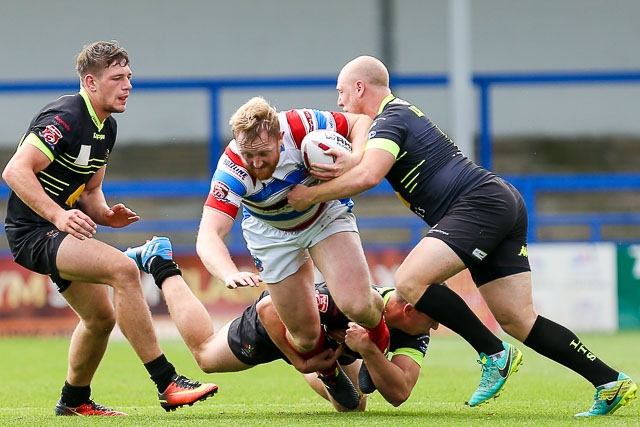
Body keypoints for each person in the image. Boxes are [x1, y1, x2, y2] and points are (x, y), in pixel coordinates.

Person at [286, 55, 638, 417]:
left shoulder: (391, 118)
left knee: (408, 280)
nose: (340, 101)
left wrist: (309, 196)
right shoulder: (396, 118)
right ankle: (609, 381)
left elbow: (369, 176)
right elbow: (366, 163)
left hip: (479, 204)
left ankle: (494, 354)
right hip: (498, 202)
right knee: (518, 319)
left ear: (360, 87)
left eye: (341, 92)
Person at [1, 41, 217, 416]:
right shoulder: (65, 116)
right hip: (33, 232)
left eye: (129, 77)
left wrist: (104, 213)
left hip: (60, 231)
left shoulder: (107, 127)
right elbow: (15, 171)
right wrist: (57, 215)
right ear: (91, 82)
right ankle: (167, 382)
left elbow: (92, 188)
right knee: (124, 269)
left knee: (101, 318)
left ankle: (74, 401)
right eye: (117, 78)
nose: (127, 85)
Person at [194, 96, 391, 404]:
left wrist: (355, 158)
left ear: (280, 137)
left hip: (325, 214)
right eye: (248, 155)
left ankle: (378, 346)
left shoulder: (302, 125)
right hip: (271, 234)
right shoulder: (232, 170)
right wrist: (228, 272)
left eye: (263, 153)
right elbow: (208, 234)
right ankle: (328, 373)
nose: (256, 163)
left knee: (357, 303)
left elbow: (359, 122)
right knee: (304, 336)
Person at [125, 236, 437, 411]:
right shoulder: (354, 300)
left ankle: (324, 367)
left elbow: (399, 393)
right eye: (434, 318)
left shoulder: (415, 332)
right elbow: (268, 307)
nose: (435, 327)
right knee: (205, 355)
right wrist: (301, 360)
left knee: (354, 409)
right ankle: (160, 261)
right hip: (278, 324)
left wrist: (368, 351)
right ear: (409, 309)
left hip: (336, 346)